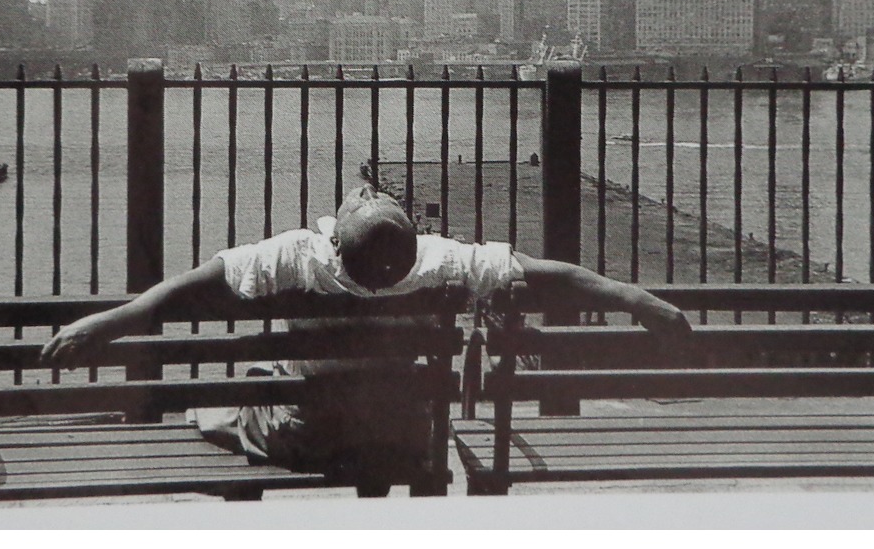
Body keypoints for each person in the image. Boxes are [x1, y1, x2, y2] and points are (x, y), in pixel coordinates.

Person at [40, 185, 692, 481]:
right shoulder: (438, 260)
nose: (358, 191)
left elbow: (185, 288)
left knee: (232, 396)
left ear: (334, 237)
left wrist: (105, 321)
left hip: (312, 434)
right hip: (404, 436)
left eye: (357, 197)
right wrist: (636, 298)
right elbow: (550, 274)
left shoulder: (296, 255)